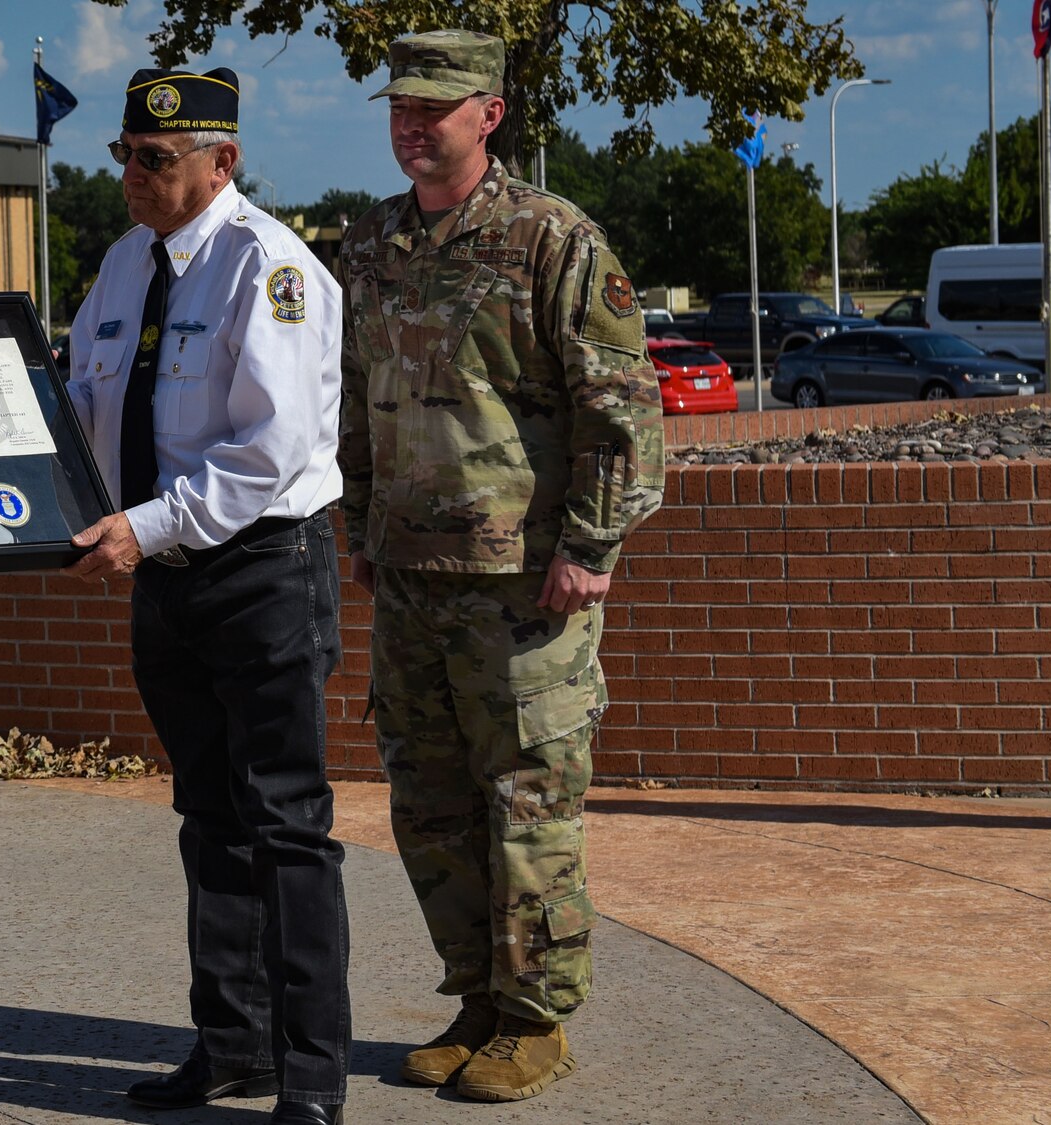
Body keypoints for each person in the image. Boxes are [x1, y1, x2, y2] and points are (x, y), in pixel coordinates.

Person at [338, 30, 665, 1104]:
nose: (411, 124)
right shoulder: (374, 243)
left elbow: (619, 408)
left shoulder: (549, 240)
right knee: (427, 803)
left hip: (522, 583)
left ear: (490, 112)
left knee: (527, 798)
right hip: (411, 575)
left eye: (436, 106)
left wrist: (588, 547)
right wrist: (361, 530)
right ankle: (475, 997)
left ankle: (535, 1019)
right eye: (400, 106)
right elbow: (352, 406)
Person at [63, 66, 350, 1125]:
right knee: (206, 817)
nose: (132, 177)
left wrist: (141, 528)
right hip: (165, 576)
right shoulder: (123, 265)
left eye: (155, 159)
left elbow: (266, 453)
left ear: (220, 161)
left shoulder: (268, 266)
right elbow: (77, 407)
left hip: (260, 569)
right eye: (124, 156)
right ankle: (230, 1047)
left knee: (286, 826)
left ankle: (312, 1074)